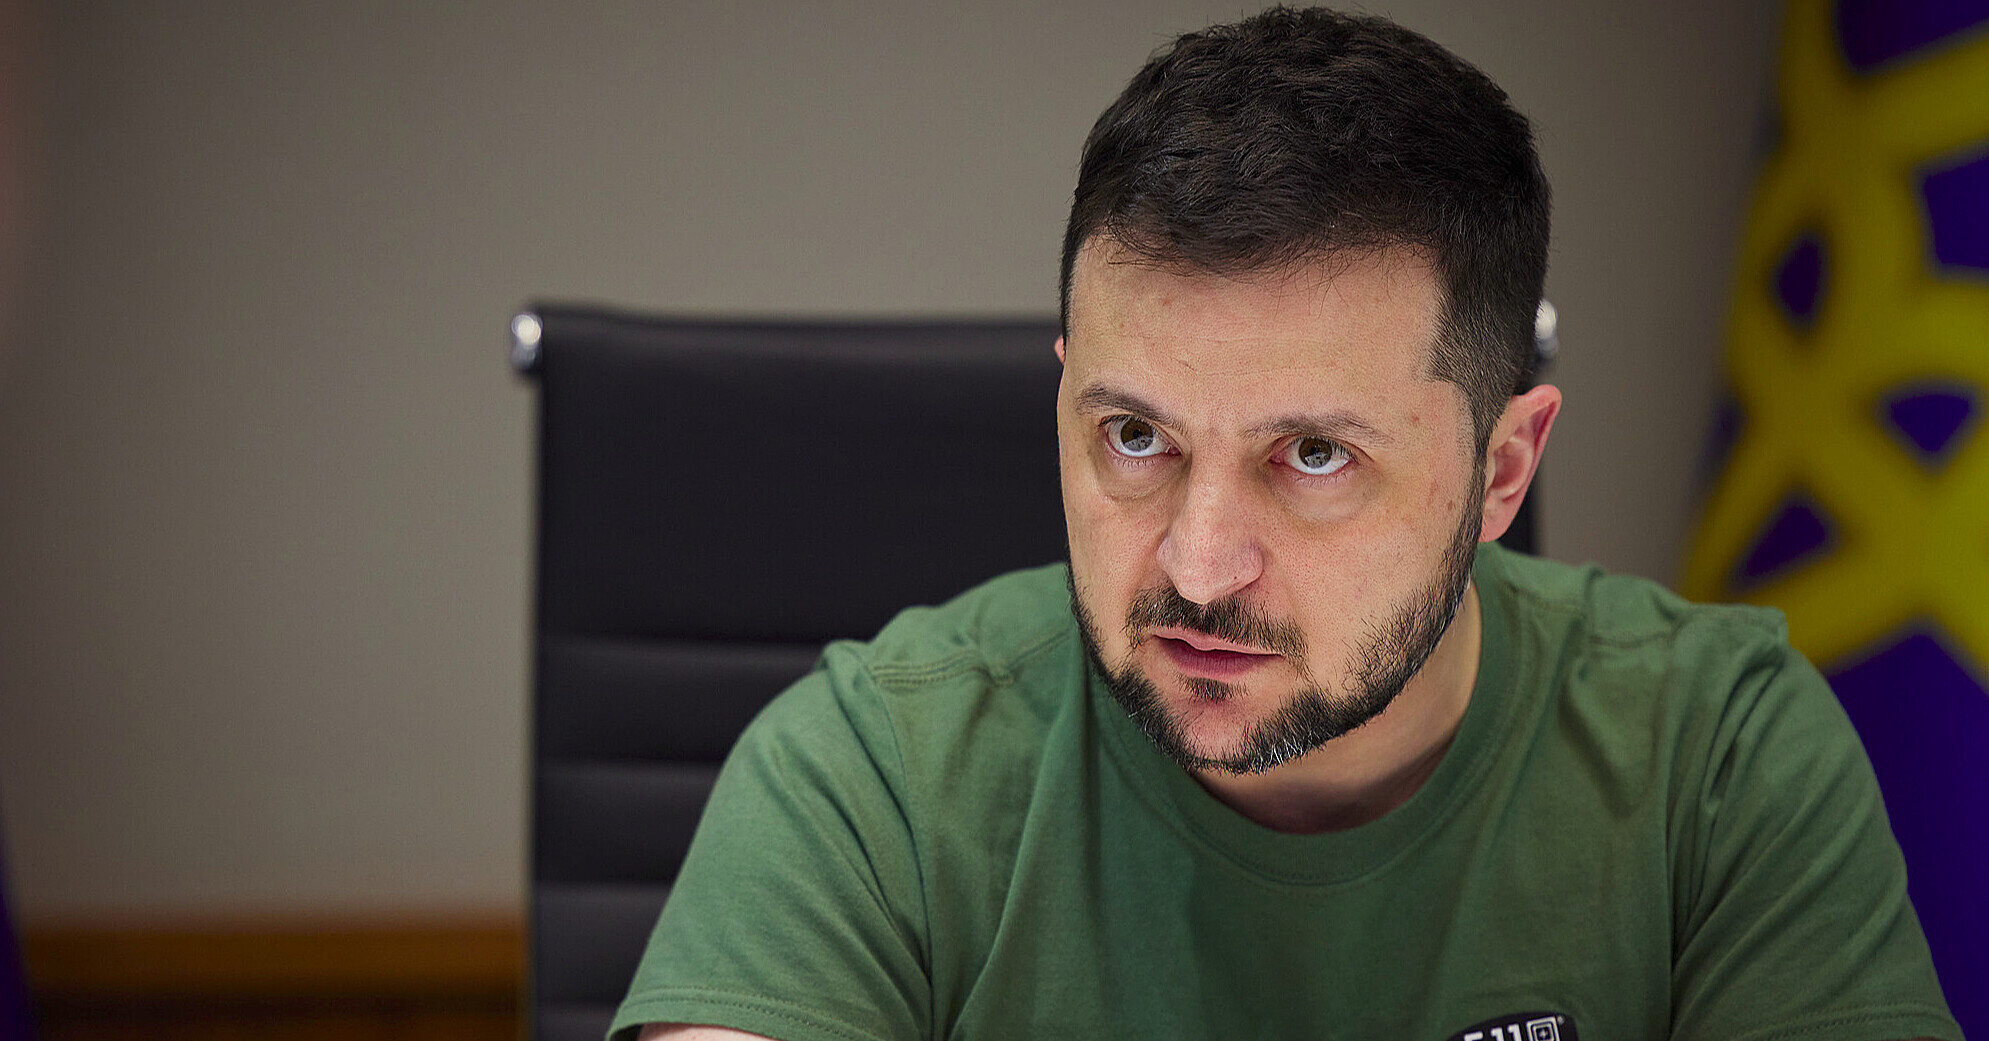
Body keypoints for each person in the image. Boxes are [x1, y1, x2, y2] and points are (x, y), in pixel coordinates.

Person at [612, 7, 1962, 1040]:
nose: (1198, 567)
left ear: (1502, 471)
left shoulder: (1719, 760)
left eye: (1313, 456)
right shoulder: (868, 778)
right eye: (1133, 436)